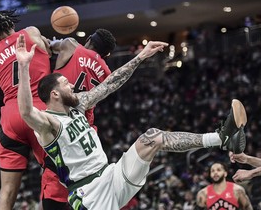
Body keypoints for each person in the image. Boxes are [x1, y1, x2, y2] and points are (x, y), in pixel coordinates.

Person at [16, 33, 247, 210]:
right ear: (54, 94)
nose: (71, 85)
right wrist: (24, 67)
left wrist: (141, 57)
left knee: (153, 137)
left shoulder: (79, 104)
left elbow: (109, 84)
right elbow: (26, 111)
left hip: (111, 173)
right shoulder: (48, 124)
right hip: (89, 192)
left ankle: (222, 138)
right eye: (65, 83)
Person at [0, 10, 69, 210]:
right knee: (56, 178)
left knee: (7, 192)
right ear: (13, 25)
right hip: (40, 110)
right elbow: (49, 50)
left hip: (12, 115)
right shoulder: (30, 32)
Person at [51, 28, 116, 131]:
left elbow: (52, 46)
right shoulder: (108, 74)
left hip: (57, 113)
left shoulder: (70, 45)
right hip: (83, 123)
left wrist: (55, 42)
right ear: (106, 54)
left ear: (89, 39)